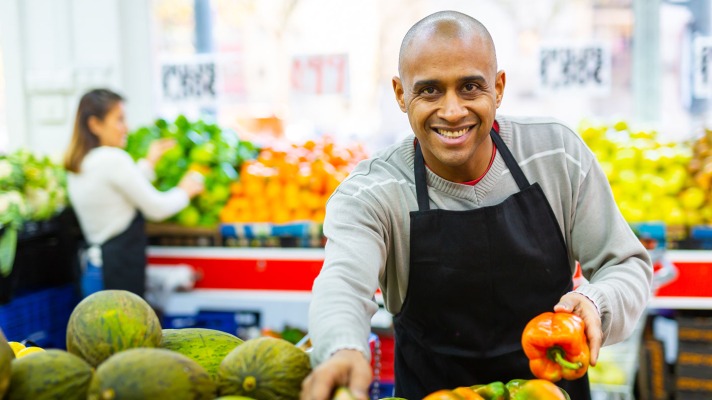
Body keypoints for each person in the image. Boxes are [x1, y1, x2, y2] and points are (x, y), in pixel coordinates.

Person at [302, 11, 653, 400]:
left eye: (470, 87)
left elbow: (625, 264)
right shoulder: (371, 193)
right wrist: (341, 348)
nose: (452, 111)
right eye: (430, 90)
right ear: (401, 94)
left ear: (498, 87)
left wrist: (596, 301)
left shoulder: (557, 155)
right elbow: (343, 284)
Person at [64, 88, 203, 298]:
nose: (126, 127)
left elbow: (117, 193)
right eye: (119, 120)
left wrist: (149, 162)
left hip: (95, 271)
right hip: (115, 272)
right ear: (94, 124)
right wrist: (185, 191)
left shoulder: (82, 162)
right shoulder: (113, 159)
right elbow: (157, 208)